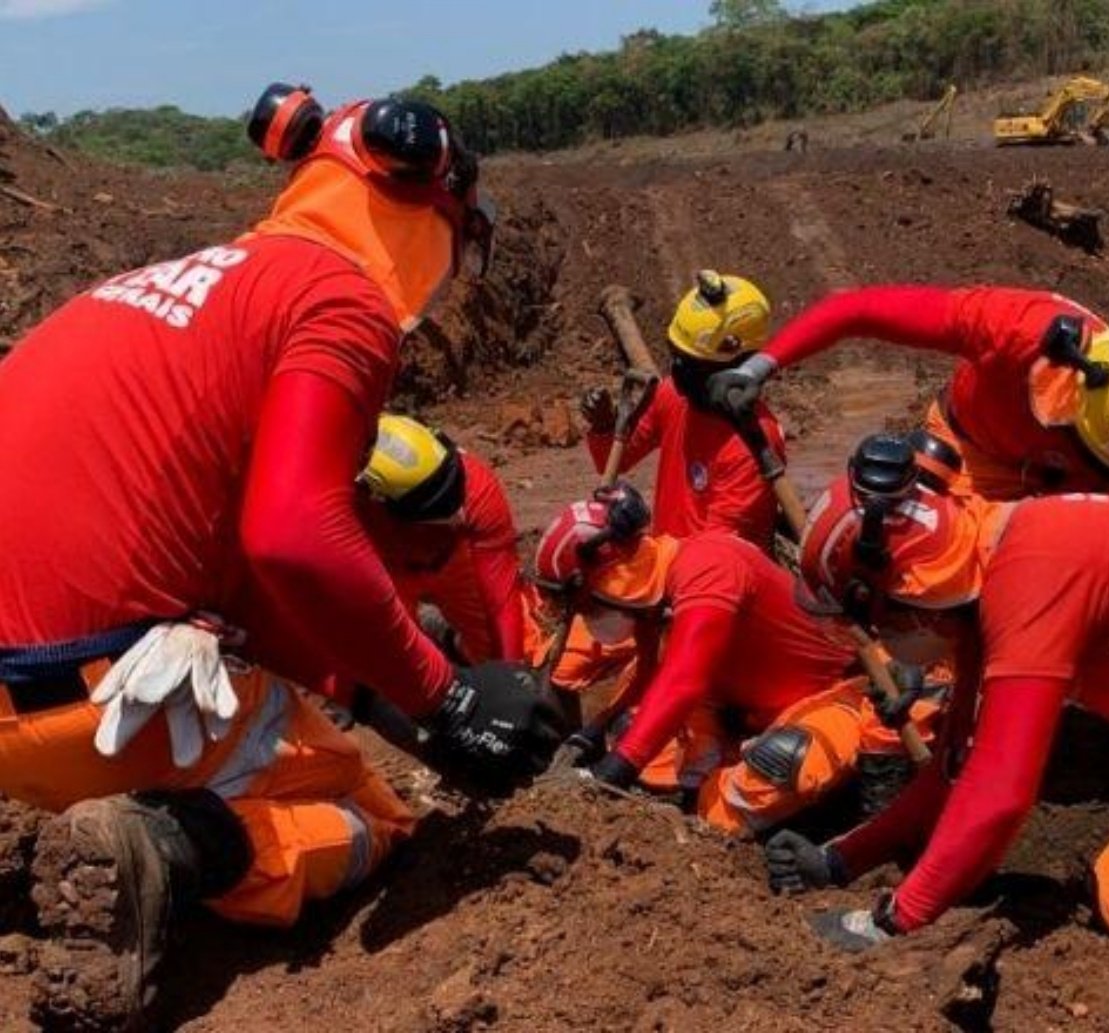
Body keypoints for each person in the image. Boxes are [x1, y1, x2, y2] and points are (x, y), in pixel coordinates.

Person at [0, 84, 560, 1028]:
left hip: (19, 704)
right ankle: (177, 847)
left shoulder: (148, 291)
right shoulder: (337, 299)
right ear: (428, 202)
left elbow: (246, 585)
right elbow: (294, 536)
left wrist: (384, 693)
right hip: (90, 708)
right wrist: (448, 700)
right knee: (371, 810)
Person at [767, 433, 1109, 950]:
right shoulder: (995, 552)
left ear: (901, 592)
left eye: (878, 621)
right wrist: (839, 860)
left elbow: (1000, 792)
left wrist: (893, 922)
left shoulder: (1033, 576)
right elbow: (955, 774)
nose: (884, 639)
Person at [532, 484, 934, 835]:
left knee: (775, 766)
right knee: (629, 726)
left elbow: (683, 680)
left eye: (583, 606)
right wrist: (595, 732)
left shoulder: (709, 567)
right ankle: (707, 777)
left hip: (834, 692)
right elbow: (652, 671)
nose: (585, 617)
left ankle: (740, 803)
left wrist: (615, 770)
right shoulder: (656, 585)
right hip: (737, 702)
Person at [705, 284, 1109, 506]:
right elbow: (857, 309)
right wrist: (759, 365)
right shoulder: (1011, 327)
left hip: (1079, 487)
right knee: (932, 567)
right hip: (974, 453)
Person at [580, 270, 785, 552]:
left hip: (713, 585)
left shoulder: (752, 447)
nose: (678, 370)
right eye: (676, 356)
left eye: (692, 363)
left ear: (741, 367)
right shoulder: (675, 396)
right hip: (670, 565)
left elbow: (715, 556)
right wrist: (605, 427)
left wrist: (647, 560)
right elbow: (614, 460)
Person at [359, 413, 536, 665]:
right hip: (385, 569)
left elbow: (501, 599)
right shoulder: (346, 509)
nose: (457, 514)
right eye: (438, 513)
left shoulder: (476, 488)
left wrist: (513, 672)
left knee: (493, 650)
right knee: (393, 660)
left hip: (453, 561)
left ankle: (449, 640)